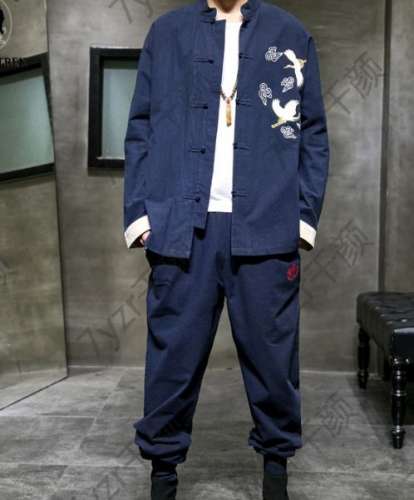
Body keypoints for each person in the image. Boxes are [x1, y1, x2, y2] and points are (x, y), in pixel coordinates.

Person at [123, 0, 329, 498]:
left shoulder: (289, 34)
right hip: (182, 227)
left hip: (266, 228)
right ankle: (162, 480)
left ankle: (276, 478)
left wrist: (302, 220)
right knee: (172, 362)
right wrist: (140, 216)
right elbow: (140, 128)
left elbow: (313, 134)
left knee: (273, 363)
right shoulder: (166, 34)